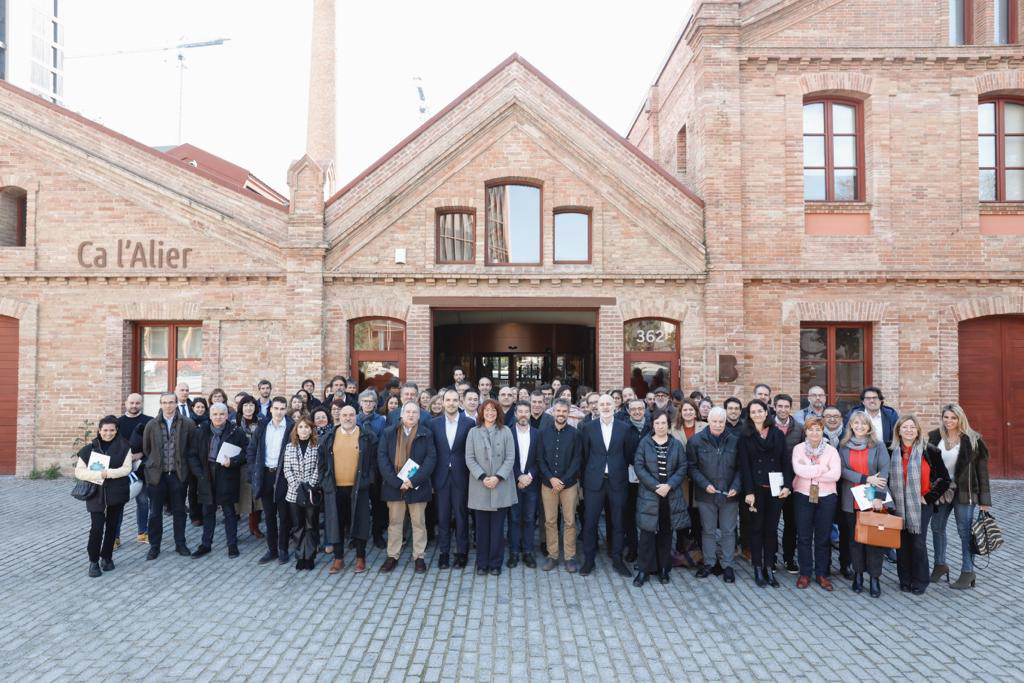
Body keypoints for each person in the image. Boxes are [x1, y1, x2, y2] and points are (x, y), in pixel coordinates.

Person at [928, 403, 992, 590]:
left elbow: (983, 473)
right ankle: (940, 565)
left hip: (965, 493)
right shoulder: (934, 436)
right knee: (936, 526)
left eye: (953, 418)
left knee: (964, 531)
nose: (949, 421)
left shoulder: (973, 440)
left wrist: (984, 502)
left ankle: (967, 571)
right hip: (942, 491)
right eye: (946, 417)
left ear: (960, 419)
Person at [889, 415, 950, 595]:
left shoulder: (929, 451)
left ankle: (920, 580)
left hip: (921, 505)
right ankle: (905, 579)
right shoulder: (890, 450)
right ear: (898, 431)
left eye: (912, 427)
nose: (908, 430)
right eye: (905, 427)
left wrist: (929, 497)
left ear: (918, 431)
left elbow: (944, 479)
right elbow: (883, 476)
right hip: (898, 504)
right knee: (901, 542)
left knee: (917, 542)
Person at [738, 399, 791, 588]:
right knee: (756, 529)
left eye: (760, 411)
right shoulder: (745, 436)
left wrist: (787, 485)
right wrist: (749, 492)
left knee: (771, 530)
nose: (757, 414)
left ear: (766, 412)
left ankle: (769, 568)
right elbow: (744, 466)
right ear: (749, 415)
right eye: (753, 412)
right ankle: (758, 568)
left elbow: (785, 461)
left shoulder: (777, 434)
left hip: (775, 490)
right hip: (756, 490)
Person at [579, 394, 634, 578]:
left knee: (618, 522)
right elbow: (584, 456)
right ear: (596, 407)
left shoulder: (625, 428)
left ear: (614, 406)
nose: (604, 406)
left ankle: (617, 559)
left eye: (608, 403)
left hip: (617, 481)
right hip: (594, 481)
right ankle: (589, 559)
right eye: (601, 404)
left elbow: (628, 456)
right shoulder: (588, 428)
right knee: (590, 522)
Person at [377, 402, 437, 573]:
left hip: (417, 486)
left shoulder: (426, 433)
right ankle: (392, 556)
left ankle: (419, 556)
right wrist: (397, 482)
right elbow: (382, 458)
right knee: (395, 523)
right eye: (408, 412)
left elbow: (431, 459)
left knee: (419, 523)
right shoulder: (389, 433)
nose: (411, 415)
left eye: (414, 412)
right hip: (394, 486)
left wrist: (413, 481)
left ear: (419, 415)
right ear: (401, 415)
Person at [141, 392, 200, 560]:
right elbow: (147, 449)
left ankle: (180, 544)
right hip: (156, 476)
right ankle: (154, 546)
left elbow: (192, 448)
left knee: (179, 511)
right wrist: (152, 465)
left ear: (176, 404)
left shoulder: (188, 423)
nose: (168, 405)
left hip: (178, 475)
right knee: (154, 513)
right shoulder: (151, 425)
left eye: (171, 402)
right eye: (165, 402)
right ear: (160, 404)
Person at [633, 410, 689, 587]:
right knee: (647, 535)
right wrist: (655, 486)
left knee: (666, 533)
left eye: (663, 423)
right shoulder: (645, 443)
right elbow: (639, 466)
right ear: (653, 425)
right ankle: (644, 570)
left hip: (670, 495)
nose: (660, 426)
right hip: (650, 495)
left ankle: (664, 569)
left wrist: (669, 485)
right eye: (657, 423)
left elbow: (682, 467)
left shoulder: (676, 445)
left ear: (668, 425)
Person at [320, 404, 377, 574]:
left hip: (359, 487)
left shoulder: (367, 436)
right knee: (336, 522)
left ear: (356, 416)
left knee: (360, 522)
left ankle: (360, 557)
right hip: (335, 489)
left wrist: (368, 480)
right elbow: (321, 463)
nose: (347, 418)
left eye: (351, 415)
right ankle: (338, 558)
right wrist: (325, 482)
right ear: (338, 416)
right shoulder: (329, 437)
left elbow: (374, 462)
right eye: (344, 415)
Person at [838, 410, 890, 597]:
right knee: (855, 541)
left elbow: (884, 471)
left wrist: (879, 497)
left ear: (869, 426)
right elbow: (841, 471)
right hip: (850, 499)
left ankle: (874, 579)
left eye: (864, 423)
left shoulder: (878, 445)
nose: (859, 426)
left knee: (874, 542)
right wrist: (865, 478)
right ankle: (858, 575)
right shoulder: (843, 446)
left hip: (872, 500)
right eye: (856, 423)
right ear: (850, 425)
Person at [75, 415, 134, 577]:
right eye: (105, 430)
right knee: (97, 528)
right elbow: (79, 472)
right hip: (96, 493)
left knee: (112, 527)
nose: (108, 433)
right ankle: (93, 561)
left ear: (116, 431)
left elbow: (126, 468)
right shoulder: (89, 449)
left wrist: (106, 473)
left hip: (116, 491)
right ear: (99, 431)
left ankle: (107, 557)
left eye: (112, 430)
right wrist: (98, 476)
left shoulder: (125, 447)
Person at [687, 407, 741, 583]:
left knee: (728, 531)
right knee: (708, 530)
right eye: (715, 421)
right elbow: (692, 467)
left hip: (729, 494)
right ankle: (709, 562)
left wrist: (736, 486)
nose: (718, 425)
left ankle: (727, 565)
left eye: (721, 421)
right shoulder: (696, 441)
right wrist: (704, 484)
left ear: (725, 422)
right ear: (708, 421)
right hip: (706, 494)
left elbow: (742, 468)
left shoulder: (735, 441)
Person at [466, 399, 517, 576]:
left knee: (497, 529)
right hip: (480, 486)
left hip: (500, 486)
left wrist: (497, 477)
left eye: (493, 410)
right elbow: (469, 458)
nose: (490, 413)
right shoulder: (473, 432)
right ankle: (482, 563)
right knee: (481, 529)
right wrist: (483, 477)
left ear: (498, 413)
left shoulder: (506, 432)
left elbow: (510, 458)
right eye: (486, 410)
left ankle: (495, 563)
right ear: (481, 413)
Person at [192, 403, 249, 559]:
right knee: (208, 511)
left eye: (221, 414)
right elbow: (192, 455)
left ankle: (232, 544)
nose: (218, 417)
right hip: (206, 473)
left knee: (229, 511)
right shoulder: (201, 431)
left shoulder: (235, 431)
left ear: (226, 415)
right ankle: (205, 544)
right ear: (210, 415)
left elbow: (247, 452)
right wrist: (200, 474)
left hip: (227, 473)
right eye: (215, 414)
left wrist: (233, 462)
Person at [791, 417, 842, 591]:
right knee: (804, 536)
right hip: (803, 496)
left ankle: (822, 574)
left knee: (823, 537)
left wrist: (811, 471)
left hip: (827, 497)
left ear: (822, 432)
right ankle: (805, 573)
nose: (814, 433)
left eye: (818, 430)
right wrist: (822, 469)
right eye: (811, 429)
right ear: (805, 432)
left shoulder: (831, 451)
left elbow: (835, 475)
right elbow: (798, 470)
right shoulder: (798, 449)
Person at [428, 389, 474, 569]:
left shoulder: (469, 423)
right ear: (443, 402)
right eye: (448, 400)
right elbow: (431, 453)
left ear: (460, 402)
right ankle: (444, 553)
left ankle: (462, 552)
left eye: (455, 400)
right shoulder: (434, 424)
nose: (451, 403)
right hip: (440, 478)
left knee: (462, 516)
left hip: (461, 476)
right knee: (443, 517)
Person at [246, 397, 294, 565]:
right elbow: (251, 450)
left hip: (283, 476)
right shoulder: (262, 427)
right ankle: (271, 550)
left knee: (284, 515)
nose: (279, 412)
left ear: (286, 410)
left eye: (282, 408)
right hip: (265, 474)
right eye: (276, 408)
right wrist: (253, 472)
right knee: (269, 515)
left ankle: (283, 550)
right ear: (271, 409)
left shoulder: (291, 427)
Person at [538, 398, 583, 572]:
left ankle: (570, 557)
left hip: (569, 485)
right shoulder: (543, 433)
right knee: (550, 521)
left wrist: (563, 480)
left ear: (568, 413)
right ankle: (553, 555)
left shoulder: (575, 433)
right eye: (558, 411)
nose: (561, 414)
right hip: (548, 484)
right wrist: (551, 479)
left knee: (570, 521)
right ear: (553, 412)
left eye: (564, 411)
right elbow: (540, 459)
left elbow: (577, 459)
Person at [283, 416, 321, 571]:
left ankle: (310, 556)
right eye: (300, 427)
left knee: (311, 525)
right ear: (296, 430)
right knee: (298, 526)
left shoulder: (317, 446)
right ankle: (300, 555)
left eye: (306, 427)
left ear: (311, 429)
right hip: (294, 493)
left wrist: (309, 486)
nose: (304, 430)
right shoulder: (289, 447)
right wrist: (298, 486)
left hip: (311, 492)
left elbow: (319, 468)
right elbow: (287, 469)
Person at [772, 394, 805, 574]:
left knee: (791, 523)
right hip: (773, 480)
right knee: (772, 521)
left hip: (793, 481)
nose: (783, 409)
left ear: (790, 408)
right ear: (774, 407)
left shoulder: (799, 429)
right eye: (780, 406)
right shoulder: (767, 426)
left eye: (786, 406)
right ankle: (771, 557)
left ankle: (789, 558)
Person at [115, 393, 151, 545]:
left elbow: (153, 444)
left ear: (141, 404)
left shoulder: (149, 421)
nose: (134, 405)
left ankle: (143, 533)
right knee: (118, 503)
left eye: (137, 403)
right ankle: (115, 537)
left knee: (143, 500)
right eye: (132, 403)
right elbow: (111, 443)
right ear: (125, 403)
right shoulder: (117, 422)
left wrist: (141, 453)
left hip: (141, 468)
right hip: (120, 468)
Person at [507, 401, 540, 568]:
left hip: (532, 483)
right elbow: (506, 459)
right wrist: (519, 476)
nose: (523, 415)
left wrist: (529, 476)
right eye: (520, 411)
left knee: (529, 519)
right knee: (513, 518)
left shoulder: (537, 434)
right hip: (512, 483)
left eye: (526, 412)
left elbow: (539, 459)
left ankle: (528, 552)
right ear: (515, 414)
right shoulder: (508, 433)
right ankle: (513, 553)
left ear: (530, 414)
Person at [622, 398, 651, 564]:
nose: (637, 412)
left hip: (648, 477)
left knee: (647, 514)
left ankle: (646, 550)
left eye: (640, 409)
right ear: (628, 411)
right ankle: (633, 549)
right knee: (630, 514)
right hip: (629, 477)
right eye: (633, 409)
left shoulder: (651, 428)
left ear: (645, 409)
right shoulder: (625, 428)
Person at [234, 395, 264, 539]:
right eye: (246, 405)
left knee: (257, 497)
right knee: (240, 497)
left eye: (251, 405)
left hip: (258, 463)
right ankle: (233, 531)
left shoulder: (262, 422)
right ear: (241, 407)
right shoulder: (235, 422)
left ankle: (254, 526)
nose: (249, 408)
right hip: (240, 464)